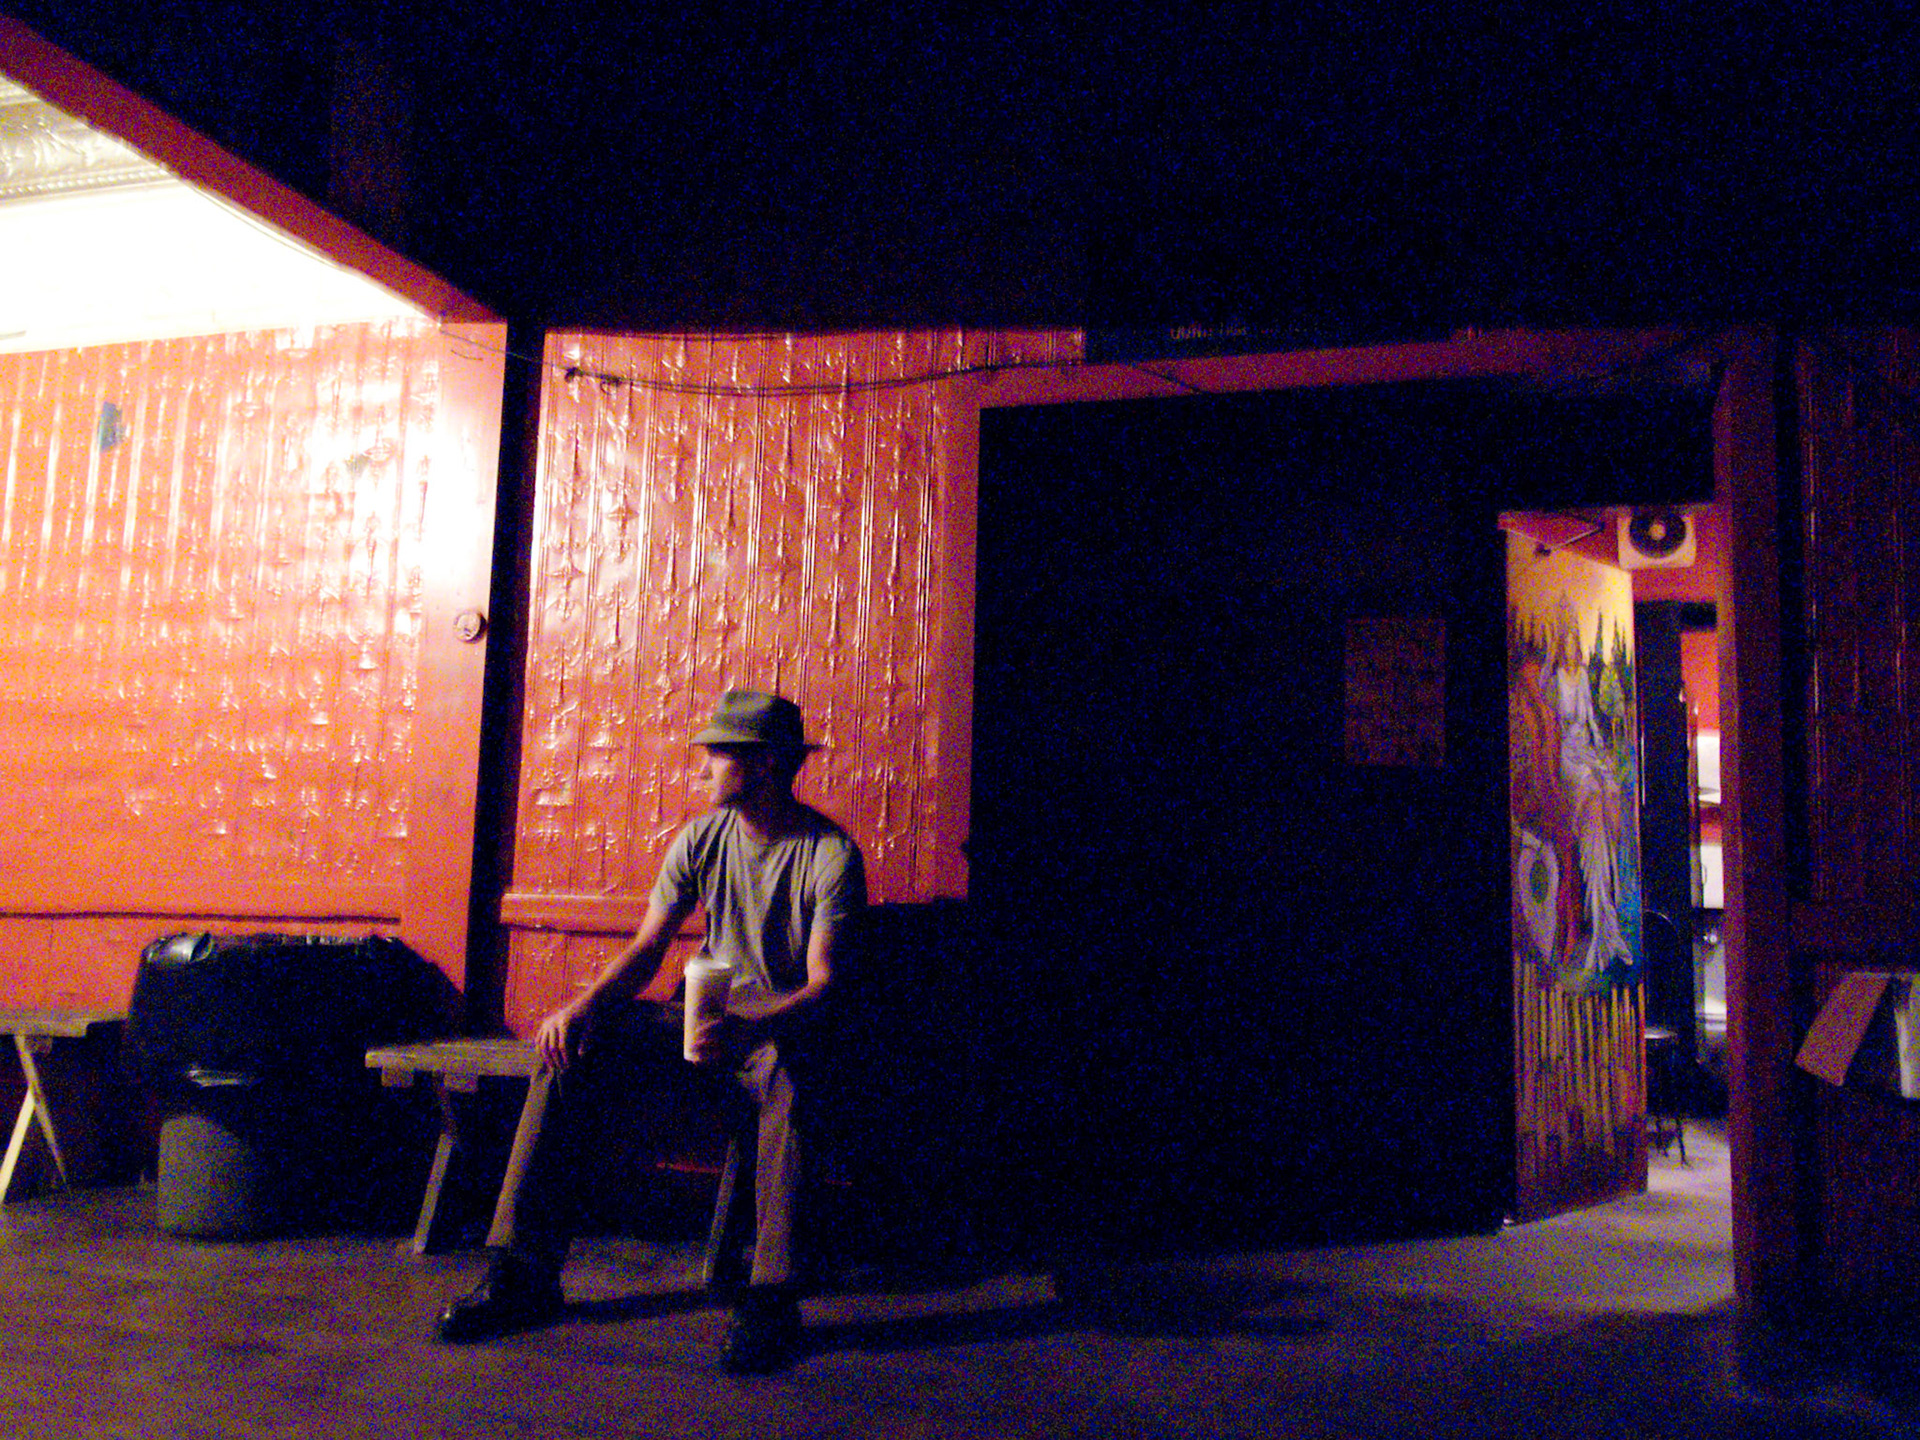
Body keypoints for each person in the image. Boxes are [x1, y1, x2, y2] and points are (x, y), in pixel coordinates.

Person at [435, 689, 867, 1374]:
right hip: (700, 1016)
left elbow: (823, 986)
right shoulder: (701, 838)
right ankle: (524, 1272)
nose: (704, 767)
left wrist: (750, 1026)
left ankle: (771, 1297)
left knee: (792, 1077)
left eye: (718, 754)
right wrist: (581, 1008)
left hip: (773, 1029)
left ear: (763, 763)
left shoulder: (828, 853)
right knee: (569, 1051)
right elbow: (647, 948)